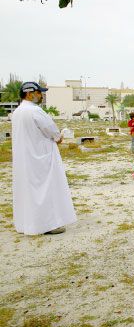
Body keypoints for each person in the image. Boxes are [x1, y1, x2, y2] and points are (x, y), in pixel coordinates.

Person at [11, 81, 77, 235]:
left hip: (25, 159)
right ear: (29, 94)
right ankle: (47, 224)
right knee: (46, 190)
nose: (41, 95)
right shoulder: (35, 111)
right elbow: (52, 132)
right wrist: (58, 137)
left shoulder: (18, 112)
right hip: (41, 158)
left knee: (28, 192)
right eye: (39, 92)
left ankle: (26, 224)